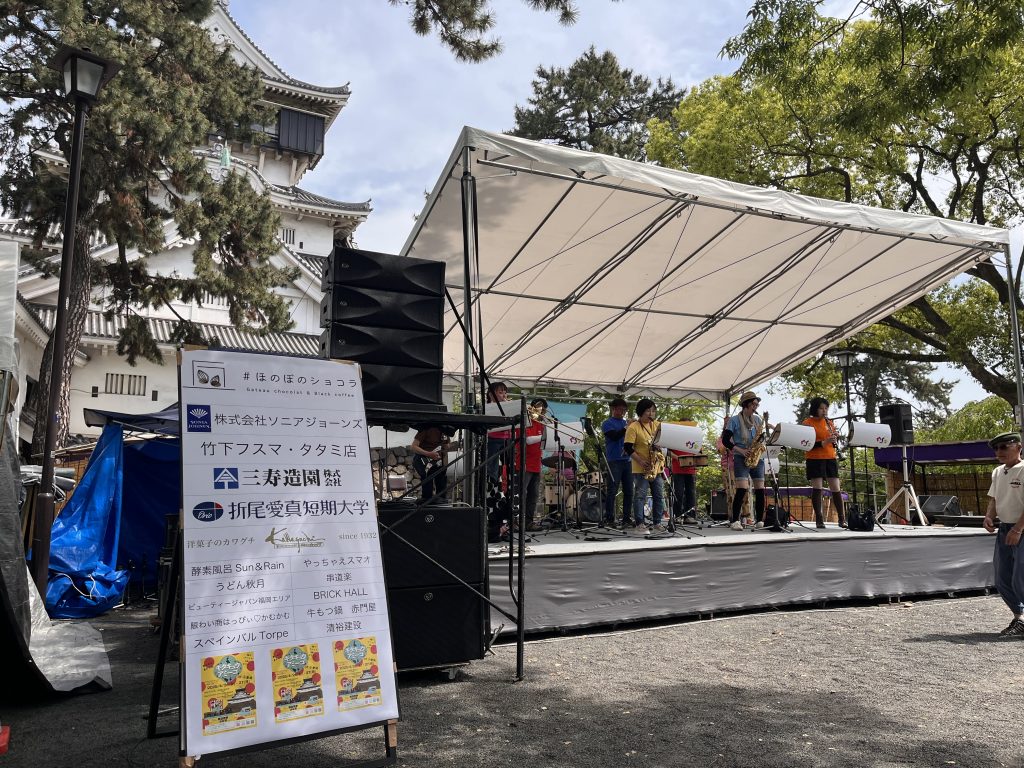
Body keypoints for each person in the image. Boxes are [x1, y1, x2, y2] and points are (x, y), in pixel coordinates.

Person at [983, 431, 1024, 637]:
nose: (999, 452)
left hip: (1021, 528)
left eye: (1004, 447)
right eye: (996, 448)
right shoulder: (998, 471)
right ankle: (1020, 618)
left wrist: (1018, 529)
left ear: (1019, 447)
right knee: (1002, 578)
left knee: (1020, 578)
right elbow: (994, 498)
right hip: (1005, 529)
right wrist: (989, 516)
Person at [721, 391, 769, 531]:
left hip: (756, 457)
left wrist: (761, 442)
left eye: (757, 404)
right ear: (746, 404)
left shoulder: (758, 420)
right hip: (741, 456)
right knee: (742, 489)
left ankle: (759, 520)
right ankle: (735, 520)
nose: (756, 407)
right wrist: (740, 450)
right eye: (754, 404)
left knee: (760, 489)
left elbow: (761, 438)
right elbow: (725, 440)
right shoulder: (734, 420)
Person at [802, 397, 848, 529]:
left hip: (830, 457)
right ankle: (819, 519)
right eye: (821, 408)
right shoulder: (807, 423)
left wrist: (835, 438)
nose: (824, 411)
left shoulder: (829, 422)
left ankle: (842, 519)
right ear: (815, 409)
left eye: (826, 408)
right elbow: (806, 443)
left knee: (836, 487)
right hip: (814, 458)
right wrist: (824, 442)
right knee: (818, 488)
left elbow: (831, 442)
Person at [624, 398, 665, 532]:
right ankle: (640, 524)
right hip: (641, 467)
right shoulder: (633, 427)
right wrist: (641, 461)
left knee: (659, 496)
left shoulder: (658, 425)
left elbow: (666, 443)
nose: (651, 413)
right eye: (648, 411)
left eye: (653, 411)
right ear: (641, 412)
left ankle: (657, 523)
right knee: (640, 496)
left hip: (657, 467)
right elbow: (628, 448)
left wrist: (661, 447)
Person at [513, 398, 547, 531]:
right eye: (538, 407)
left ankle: (528, 523)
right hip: (524, 463)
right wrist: (545, 436)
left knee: (533, 496)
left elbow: (543, 444)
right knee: (520, 495)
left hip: (536, 464)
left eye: (542, 408)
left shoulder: (541, 424)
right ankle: (516, 522)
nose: (540, 410)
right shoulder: (525, 422)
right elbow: (528, 440)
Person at [602, 397, 634, 528]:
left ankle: (626, 518)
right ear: (613, 409)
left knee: (629, 491)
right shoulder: (607, 423)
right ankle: (609, 518)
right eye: (620, 409)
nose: (622, 412)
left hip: (628, 460)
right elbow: (614, 436)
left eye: (624, 410)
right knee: (612, 490)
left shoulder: (627, 423)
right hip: (614, 460)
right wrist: (627, 427)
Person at [668, 420, 699, 523]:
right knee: (678, 492)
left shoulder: (695, 437)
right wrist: (678, 458)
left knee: (691, 493)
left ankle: (689, 516)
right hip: (678, 469)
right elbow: (667, 451)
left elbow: (699, 451)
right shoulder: (674, 438)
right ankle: (677, 516)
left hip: (691, 469)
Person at [410, 425, 451, 504]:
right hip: (425, 461)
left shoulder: (445, 431)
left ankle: (440, 504)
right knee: (427, 486)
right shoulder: (426, 428)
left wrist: (447, 446)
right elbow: (413, 447)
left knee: (441, 485)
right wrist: (428, 454)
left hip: (439, 463)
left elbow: (447, 445)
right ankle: (426, 504)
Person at [485, 381, 512, 483]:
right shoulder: (487, 407)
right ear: (491, 395)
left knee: (509, 464)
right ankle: (492, 483)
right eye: (500, 392)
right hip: (493, 439)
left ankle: (508, 484)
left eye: (505, 392)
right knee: (492, 465)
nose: (504, 395)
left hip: (507, 438)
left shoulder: (509, 406)